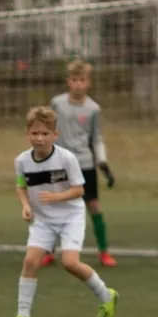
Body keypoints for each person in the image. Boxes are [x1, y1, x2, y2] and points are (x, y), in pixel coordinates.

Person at [4, 106, 118, 317]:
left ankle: (107, 295)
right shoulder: (22, 161)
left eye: (45, 133)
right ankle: (23, 316)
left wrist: (56, 197)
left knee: (70, 263)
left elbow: (79, 190)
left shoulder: (67, 159)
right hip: (43, 220)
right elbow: (20, 187)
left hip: (70, 217)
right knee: (29, 263)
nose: (39, 138)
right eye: (35, 133)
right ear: (27, 134)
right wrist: (26, 206)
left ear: (55, 135)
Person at [42, 59, 117, 268]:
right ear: (68, 81)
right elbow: (48, 129)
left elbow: (96, 138)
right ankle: (49, 251)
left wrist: (103, 164)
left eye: (82, 80)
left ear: (88, 83)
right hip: (60, 164)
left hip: (84, 165)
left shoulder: (93, 108)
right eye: (74, 80)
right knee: (55, 206)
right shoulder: (57, 104)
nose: (78, 84)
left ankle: (104, 252)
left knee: (93, 205)